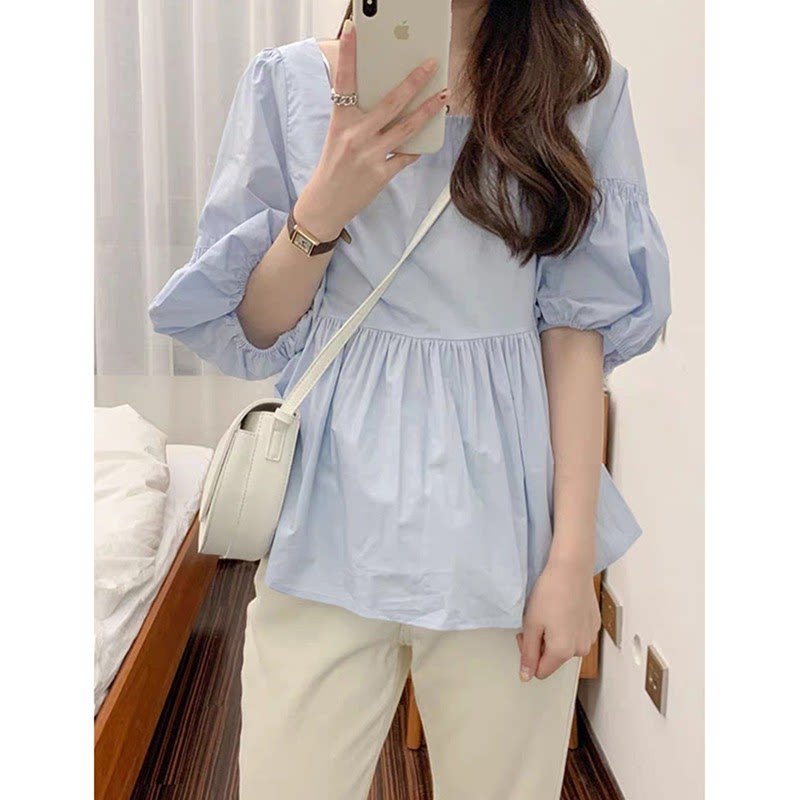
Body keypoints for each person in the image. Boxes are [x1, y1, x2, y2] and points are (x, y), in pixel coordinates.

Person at [148, 1, 671, 797]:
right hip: (329, 511)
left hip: (506, 525)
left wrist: (572, 564)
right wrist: (326, 203)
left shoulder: (576, 94)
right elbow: (259, 325)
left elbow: (575, 336)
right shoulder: (291, 84)